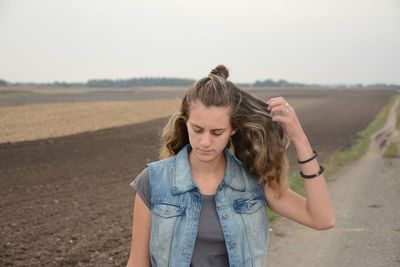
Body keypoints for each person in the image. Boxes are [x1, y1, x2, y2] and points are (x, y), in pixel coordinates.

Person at [126, 65, 335, 267]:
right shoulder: (154, 181)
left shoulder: (254, 181)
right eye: (197, 129)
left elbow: (322, 219)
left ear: (233, 129)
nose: (205, 142)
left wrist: (298, 136)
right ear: (185, 121)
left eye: (217, 132)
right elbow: (137, 263)